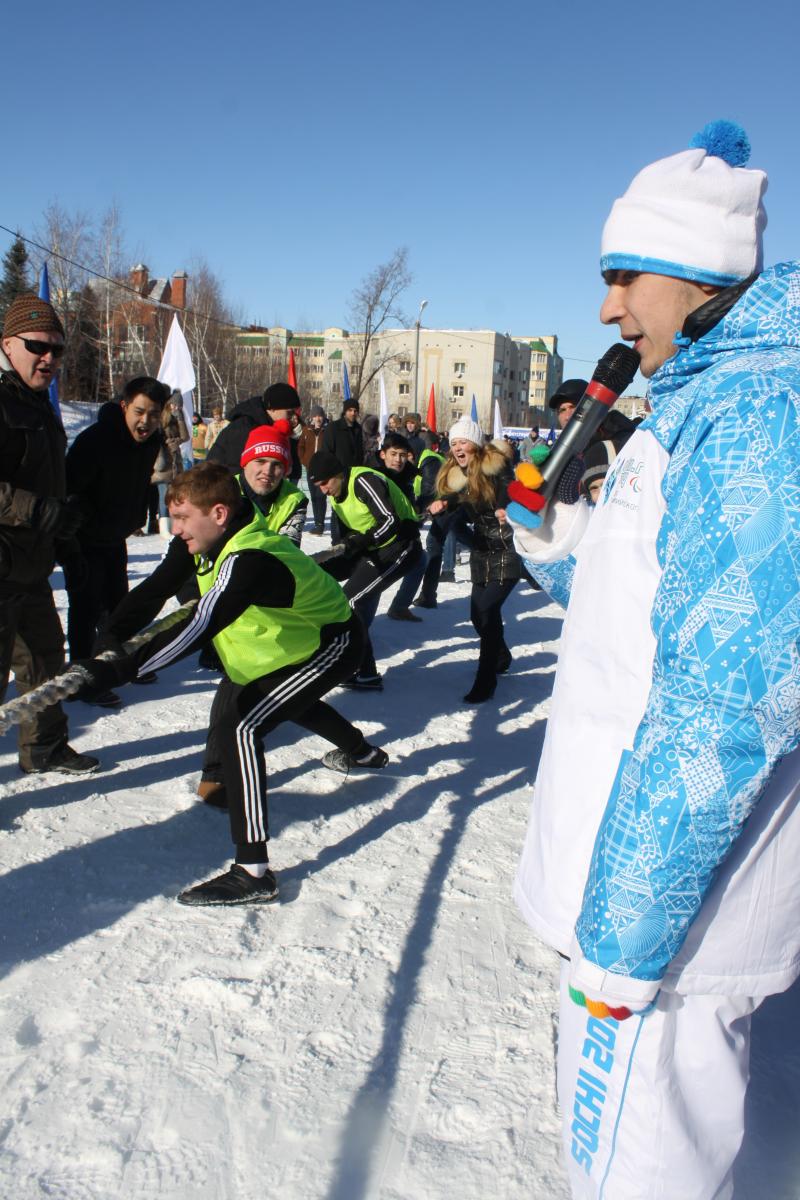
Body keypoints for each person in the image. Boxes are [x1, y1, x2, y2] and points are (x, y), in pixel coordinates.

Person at [509, 122, 800, 1199]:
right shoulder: (698, 401)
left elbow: (730, 700)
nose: (603, 308)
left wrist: (619, 947)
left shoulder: (760, 414)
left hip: (666, 933)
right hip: (653, 901)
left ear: (691, 270)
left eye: (619, 274)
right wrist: (555, 547)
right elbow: (652, 623)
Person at [76, 463, 389, 906]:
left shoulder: (250, 558)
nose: (175, 529)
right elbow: (155, 590)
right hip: (280, 647)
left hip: (331, 642)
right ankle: (362, 752)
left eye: (182, 518)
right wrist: (106, 642)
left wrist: (117, 671)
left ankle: (253, 872)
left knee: (241, 725)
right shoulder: (203, 541)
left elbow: (200, 623)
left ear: (219, 513)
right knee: (290, 703)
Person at [0, 294, 98, 775]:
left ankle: (44, 747)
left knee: (43, 662)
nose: (49, 358)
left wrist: (68, 543)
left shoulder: (38, 403)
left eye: (57, 350)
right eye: (38, 346)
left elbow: (48, 483)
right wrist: (40, 511)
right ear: (7, 344)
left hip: (30, 565)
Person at [65, 376, 169, 705]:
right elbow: (70, 492)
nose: (146, 421)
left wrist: (136, 516)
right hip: (83, 539)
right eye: (139, 411)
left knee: (118, 605)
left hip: (115, 537)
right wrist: (74, 539)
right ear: (124, 406)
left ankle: (121, 663)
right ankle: (83, 678)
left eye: (154, 414)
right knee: (85, 608)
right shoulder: (95, 441)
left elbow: (141, 484)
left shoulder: (151, 442)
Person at [307, 449, 422, 690]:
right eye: (318, 486)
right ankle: (340, 656)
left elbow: (390, 521)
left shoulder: (363, 481)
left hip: (402, 545)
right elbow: (348, 534)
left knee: (349, 602)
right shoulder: (335, 493)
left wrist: (361, 541)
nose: (323, 490)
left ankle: (365, 671)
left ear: (337, 474)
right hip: (374, 548)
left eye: (325, 483)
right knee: (321, 577)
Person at [429, 417, 520, 702]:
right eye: (453, 443)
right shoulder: (459, 478)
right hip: (482, 549)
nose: (457, 448)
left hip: (507, 546)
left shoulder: (496, 467)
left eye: (463, 442)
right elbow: (462, 499)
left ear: (476, 445)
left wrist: (506, 508)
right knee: (476, 614)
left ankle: (486, 680)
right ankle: (501, 656)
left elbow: (507, 486)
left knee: (487, 610)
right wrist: (444, 503)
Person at [207, 382, 300, 476]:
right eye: (289, 413)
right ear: (272, 408)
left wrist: (291, 436)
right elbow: (236, 467)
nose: (293, 417)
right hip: (219, 481)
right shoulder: (246, 426)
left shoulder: (267, 425)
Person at [236, 421, 307, 545]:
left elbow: (287, 552)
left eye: (277, 465)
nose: (268, 471)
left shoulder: (294, 500)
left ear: (285, 471)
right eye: (260, 461)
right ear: (245, 463)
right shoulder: (220, 490)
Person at [298, 405, 328, 534]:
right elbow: (301, 447)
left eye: (320, 416)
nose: (318, 418)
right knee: (314, 497)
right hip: (310, 468)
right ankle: (317, 523)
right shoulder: (306, 430)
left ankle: (320, 524)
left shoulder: (327, 430)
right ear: (312, 417)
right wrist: (304, 461)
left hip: (323, 469)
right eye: (315, 416)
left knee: (321, 496)